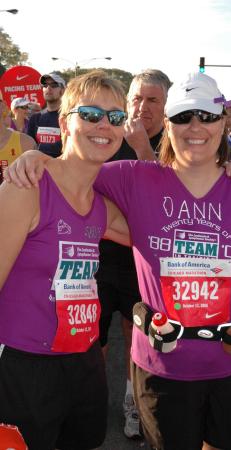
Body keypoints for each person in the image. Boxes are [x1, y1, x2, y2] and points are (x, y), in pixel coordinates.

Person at [7, 71, 231, 450]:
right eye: (183, 117)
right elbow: (75, 173)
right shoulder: (102, 180)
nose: (195, 127)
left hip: (218, 362)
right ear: (167, 126)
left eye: (207, 116)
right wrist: (34, 156)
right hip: (95, 365)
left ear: (223, 123)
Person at [0, 70, 130, 450]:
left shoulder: (101, 207)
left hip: (84, 360)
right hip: (24, 365)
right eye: (90, 114)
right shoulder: (26, 187)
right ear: (63, 122)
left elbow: (159, 235)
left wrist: (228, 174)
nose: (103, 124)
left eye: (115, 117)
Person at [96, 68, 171, 439]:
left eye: (152, 100)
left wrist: (143, 148)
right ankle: (94, 399)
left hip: (143, 263)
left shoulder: (176, 142)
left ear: (166, 105)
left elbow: (172, 199)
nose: (142, 107)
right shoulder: (109, 134)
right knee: (92, 334)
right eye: (137, 98)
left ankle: (131, 400)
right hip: (97, 254)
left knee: (134, 330)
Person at [0, 91, 37, 184]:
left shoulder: (26, 143)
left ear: (2, 106)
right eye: (23, 107)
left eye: (26, 107)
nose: (26, 109)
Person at [27, 72, 66, 157]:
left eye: (54, 85)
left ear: (63, 91)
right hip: (38, 167)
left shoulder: (69, 117)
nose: (48, 88)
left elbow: (69, 145)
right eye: (45, 85)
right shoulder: (35, 118)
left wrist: (39, 148)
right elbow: (28, 145)